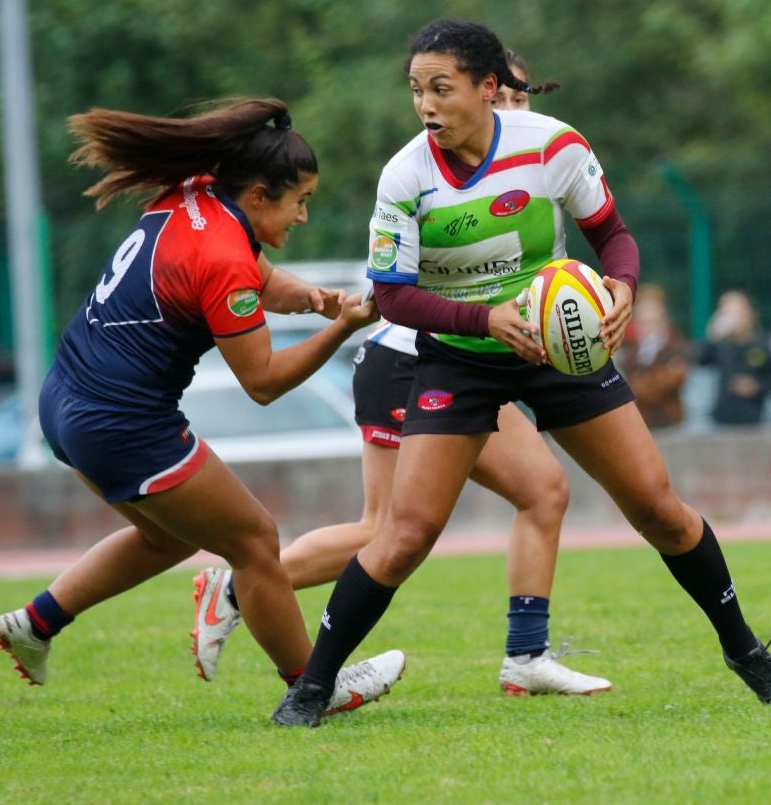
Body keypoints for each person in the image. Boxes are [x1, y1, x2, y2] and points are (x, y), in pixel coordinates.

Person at [271, 18, 771, 727]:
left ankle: (747, 654)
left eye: (442, 88)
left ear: (489, 88)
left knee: (657, 509)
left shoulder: (551, 144)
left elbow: (612, 236)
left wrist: (621, 287)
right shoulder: (406, 176)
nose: (426, 105)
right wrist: (485, 321)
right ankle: (312, 688)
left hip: (558, 351)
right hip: (460, 357)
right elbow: (396, 296)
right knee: (404, 535)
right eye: (416, 91)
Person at [192, 52, 612, 696]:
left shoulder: (531, 157)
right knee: (388, 533)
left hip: (459, 361)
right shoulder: (431, 167)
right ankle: (244, 583)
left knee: (543, 491)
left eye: (524, 102)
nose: (520, 116)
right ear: (484, 97)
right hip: (408, 359)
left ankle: (526, 656)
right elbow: (404, 288)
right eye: (510, 103)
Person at [0, 98, 405, 719]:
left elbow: (256, 273)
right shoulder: (223, 259)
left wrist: (313, 300)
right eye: (299, 201)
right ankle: (315, 684)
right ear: (260, 195)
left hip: (64, 404)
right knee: (257, 542)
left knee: (166, 538)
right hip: (122, 421)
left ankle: (37, 622)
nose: (305, 215)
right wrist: (340, 329)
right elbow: (262, 382)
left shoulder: (199, 195)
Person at [699, 290, 771, 426]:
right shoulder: (720, 345)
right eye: (728, 313)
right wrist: (713, 337)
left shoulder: (760, 344)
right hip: (721, 418)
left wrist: (756, 387)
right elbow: (700, 361)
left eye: (737, 313)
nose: (734, 319)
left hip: (755, 417)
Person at [617, 283, 692, 428]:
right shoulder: (630, 349)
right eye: (644, 322)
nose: (648, 327)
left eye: (653, 321)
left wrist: (643, 383)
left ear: (664, 321)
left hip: (670, 419)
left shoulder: (675, 345)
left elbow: (674, 380)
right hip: (639, 421)